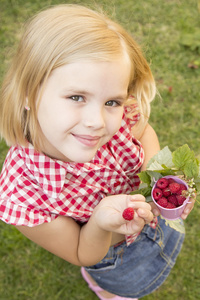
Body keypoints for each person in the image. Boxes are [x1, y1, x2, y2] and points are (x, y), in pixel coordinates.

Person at [0, 4, 195, 300]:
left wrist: (160, 182)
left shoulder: (120, 118)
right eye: (76, 97)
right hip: (115, 255)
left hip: (157, 223)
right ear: (29, 94)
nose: (97, 122)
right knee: (127, 286)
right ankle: (105, 289)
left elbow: (144, 133)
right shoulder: (21, 194)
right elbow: (81, 251)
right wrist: (100, 222)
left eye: (112, 102)